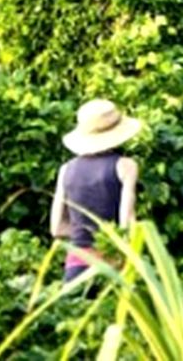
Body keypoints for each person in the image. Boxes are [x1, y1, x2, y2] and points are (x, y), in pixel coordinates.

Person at [50, 98, 141, 282]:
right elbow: (127, 223)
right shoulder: (125, 166)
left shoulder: (66, 169)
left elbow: (57, 228)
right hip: (113, 264)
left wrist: (83, 235)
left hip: (76, 265)